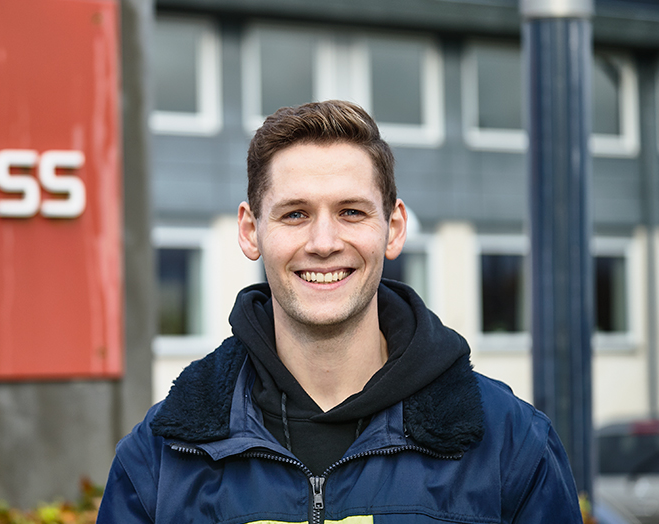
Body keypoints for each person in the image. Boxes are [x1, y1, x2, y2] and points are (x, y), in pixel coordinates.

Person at [97, 100, 583, 523]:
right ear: (250, 231)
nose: (324, 243)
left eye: (351, 212)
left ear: (393, 228)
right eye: (295, 214)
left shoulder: (511, 444)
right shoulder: (160, 459)